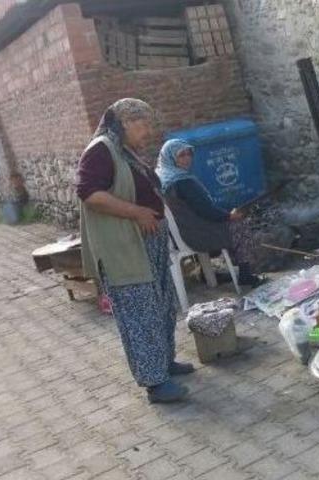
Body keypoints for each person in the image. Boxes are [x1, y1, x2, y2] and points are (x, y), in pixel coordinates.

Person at [76, 98, 192, 404]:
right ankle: (155, 383)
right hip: (124, 249)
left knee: (161, 306)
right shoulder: (101, 150)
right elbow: (89, 193)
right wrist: (137, 213)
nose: (148, 132)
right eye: (143, 124)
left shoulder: (125, 151)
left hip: (148, 244)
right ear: (125, 122)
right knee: (140, 314)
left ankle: (165, 363)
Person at [156, 138, 293, 284]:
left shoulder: (162, 177)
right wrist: (230, 216)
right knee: (240, 226)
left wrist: (225, 215)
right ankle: (245, 275)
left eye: (188, 154)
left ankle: (207, 273)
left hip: (181, 233)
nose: (187, 158)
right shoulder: (182, 181)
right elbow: (207, 211)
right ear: (170, 157)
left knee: (232, 222)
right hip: (196, 234)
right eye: (181, 155)